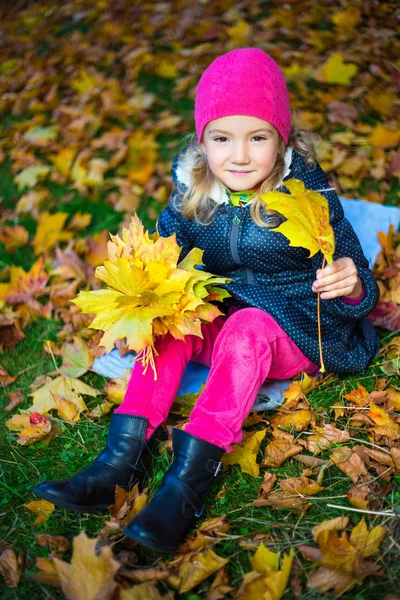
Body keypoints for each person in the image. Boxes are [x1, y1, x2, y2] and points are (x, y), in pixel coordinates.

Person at [33, 48, 380, 553]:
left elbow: (358, 277)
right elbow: (164, 256)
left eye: (257, 138)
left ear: (281, 138)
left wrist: (350, 284)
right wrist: (146, 299)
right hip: (222, 316)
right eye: (222, 139)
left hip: (291, 328)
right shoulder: (193, 191)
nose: (239, 156)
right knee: (176, 315)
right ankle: (116, 463)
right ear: (202, 141)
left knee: (245, 330)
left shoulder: (308, 192)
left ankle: (185, 485)